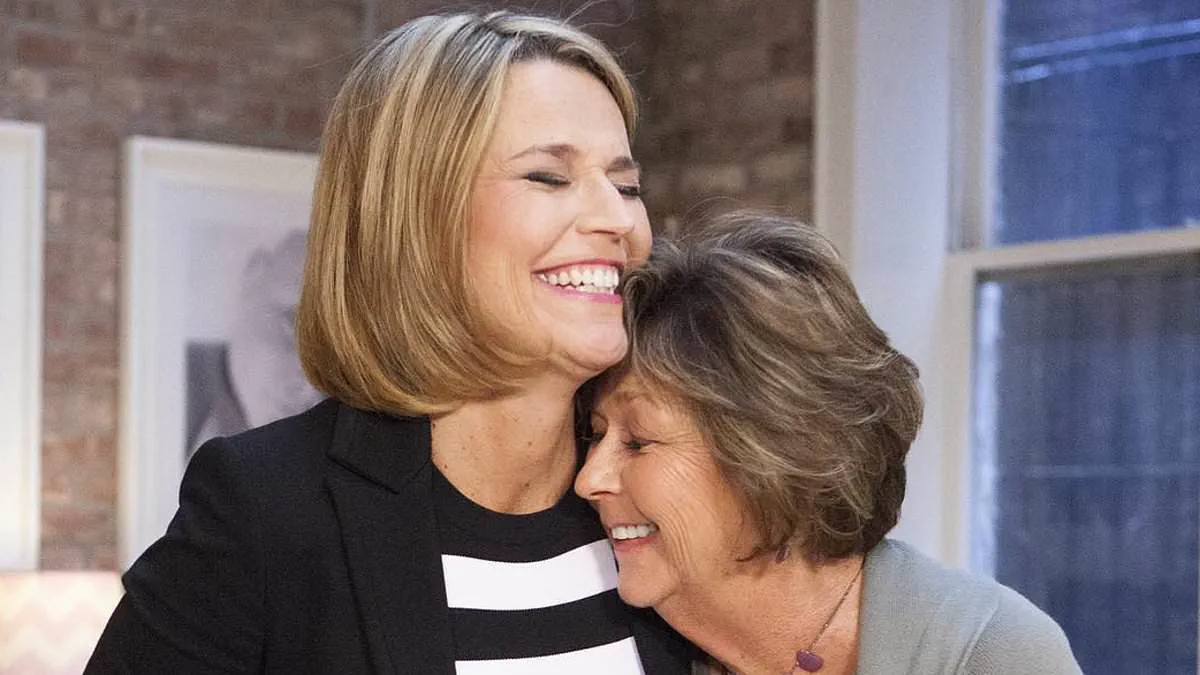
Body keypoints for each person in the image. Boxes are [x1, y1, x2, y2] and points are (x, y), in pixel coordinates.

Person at [88, 11, 692, 674]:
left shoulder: (674, 487)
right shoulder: (265, 510)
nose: (617, 219)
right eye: (548, 177)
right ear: (415, 217)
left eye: (626, 185)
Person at [576, 211, 1083, 675]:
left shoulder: (990, 654)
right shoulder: (604, 638)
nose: (589, 479)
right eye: (596, 435)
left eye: (638, 441)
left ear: (773, 452)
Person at [185, 229, 324, 459]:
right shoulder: (164, 378)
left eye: (335, 362)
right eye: (291, 325)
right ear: (254, 273)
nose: (310, 389)